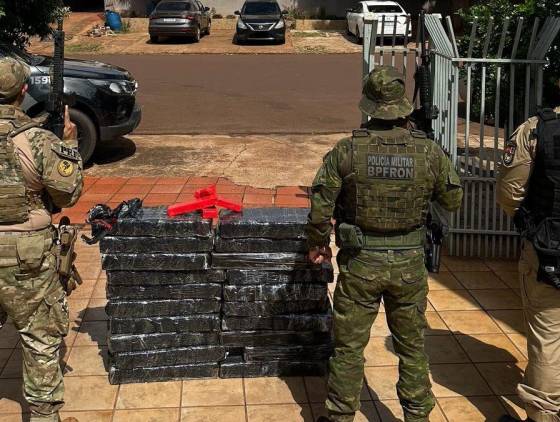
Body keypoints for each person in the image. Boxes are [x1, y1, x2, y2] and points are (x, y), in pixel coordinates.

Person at [306, 66, 463, 422]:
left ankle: (340, 415)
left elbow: (320, 207)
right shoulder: (428, 151)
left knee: (348, 347)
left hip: (361, 262)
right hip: (409, 263)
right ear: (403, 107)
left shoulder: (347, 151)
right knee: (412, 347)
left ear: (369, 106)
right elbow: (452, 200)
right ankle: (417, 416)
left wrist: (317, 244)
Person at [0, 57, 83, 422]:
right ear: (22, 91)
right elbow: (68, 194)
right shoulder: (36, 139)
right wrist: (70, 145)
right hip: (26, 253)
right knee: (40, 338)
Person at [497, 106, 560, 422]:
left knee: (548, 339)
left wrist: (530, 225)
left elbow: (509, 192)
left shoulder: (536, 130)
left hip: (550, 253)